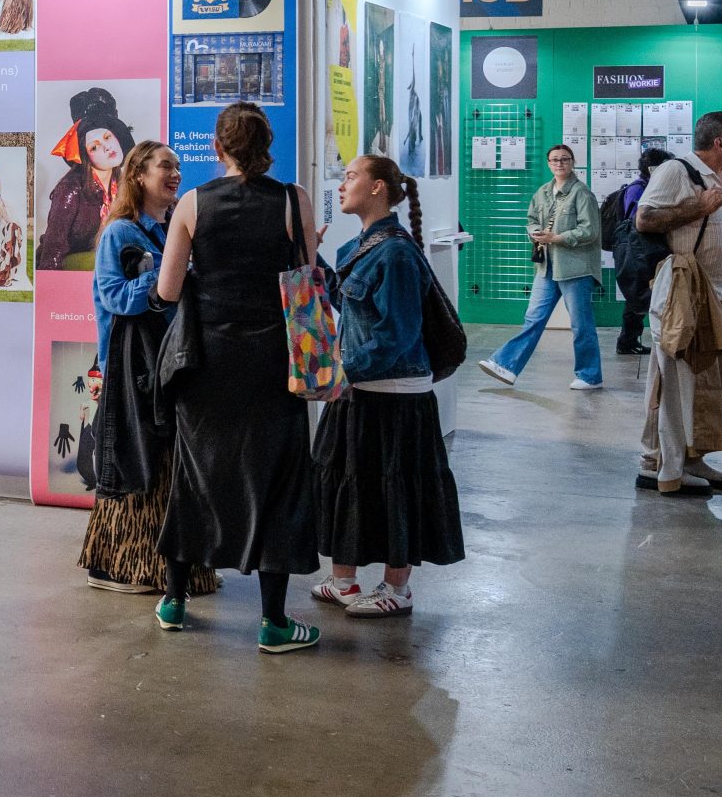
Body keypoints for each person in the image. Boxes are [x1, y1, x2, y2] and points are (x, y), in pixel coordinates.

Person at [152, 101, 322, 655]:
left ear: (217, 148)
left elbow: (169, 290)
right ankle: (273, 621)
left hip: (209, 366)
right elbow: (305, 279)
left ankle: (175, 602)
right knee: (278, 482)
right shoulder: (294, 201)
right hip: (276, 365)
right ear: (268, 146)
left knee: (197, 475)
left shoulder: (192, 203)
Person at [312, 154, 463, 616]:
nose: (342, 185)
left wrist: (341, 372)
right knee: (349, 483)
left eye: (352, 177)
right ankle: (345, 582)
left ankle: (397, 589)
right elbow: (345, 300)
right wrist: (308, 255)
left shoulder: (396, 252)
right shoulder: (364, 245)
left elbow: (395, 334)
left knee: (394, 488)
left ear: (378, 188)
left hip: (393, 394)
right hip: (361, 388)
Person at [77, 141, 217, 599]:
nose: (175, 174)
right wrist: (163, 274)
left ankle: (164, 569)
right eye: (165, 166)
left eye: (178, 166)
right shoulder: (121, 233)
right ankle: (119, 564)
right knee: (135, 465)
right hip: (131, 371)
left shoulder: (172, 229)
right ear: (138, 174)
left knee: (165, 466)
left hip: (168, 366)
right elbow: (115, 298)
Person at [634, 115, 722, 497]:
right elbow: (644, 219)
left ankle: (692, 456)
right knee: (674, 381)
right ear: (718, 143)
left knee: (711, 382)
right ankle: (658, 463)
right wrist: (699, 208)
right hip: (688, 292)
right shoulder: (675, 170)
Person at [478, 143, 602, 392]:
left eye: (564, 159)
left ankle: (590, 375)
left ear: (572, 162)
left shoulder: (582, 193)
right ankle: (507, 365)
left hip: (575, 269)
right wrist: (534, 233)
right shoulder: (543, 192)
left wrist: (556, 238)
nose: (559, 164)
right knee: (533, 319)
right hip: (547, 267)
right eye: (555, 160)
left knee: (581, 324)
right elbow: (532, 219)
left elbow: (590, 231)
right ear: (548, 164)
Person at [35, 86, 133, 272]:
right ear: (85, 156)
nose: (106, 148)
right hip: (67, 264)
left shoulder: (123, 185)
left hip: (103, 265)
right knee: (105, 261)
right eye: (94, 147)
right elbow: (53, 250)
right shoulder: (70, 189)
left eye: (107, 137)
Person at [607, 147, 672, 356]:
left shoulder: (643, 186)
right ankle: (627, 340)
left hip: (638, 248)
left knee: (640, 294)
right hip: (637, 249)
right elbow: (640, 221)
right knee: (639, 294)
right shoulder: (639, 189)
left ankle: (629, 340)